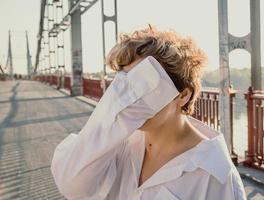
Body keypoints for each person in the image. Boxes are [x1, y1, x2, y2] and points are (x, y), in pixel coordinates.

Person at [51, 25, 246, 200]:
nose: (131, 97)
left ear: (183, 95)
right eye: (124, 83)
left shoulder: (214, 174)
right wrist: (109, 110)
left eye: (143, 84)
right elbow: (71, 184)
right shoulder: (120, 144)